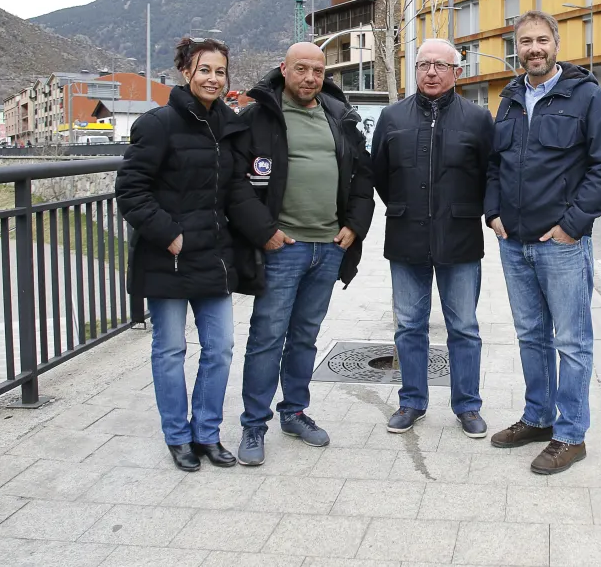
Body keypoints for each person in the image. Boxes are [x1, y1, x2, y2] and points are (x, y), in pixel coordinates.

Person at [116, 36, 277, 472]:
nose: (213, 77)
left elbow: (238, 190)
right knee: (169, 349)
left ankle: (207, 433)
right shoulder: (158, 124)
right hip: (167, 255)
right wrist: (170, 233)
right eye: (204, 69)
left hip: (214, 255)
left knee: (220, 347)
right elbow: (130, 190)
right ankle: (177, 436)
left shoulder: (230, 126)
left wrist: (262, 231)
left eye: (220, 70)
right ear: (187, 72)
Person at [485, 10, 601, 475]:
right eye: (525, 41)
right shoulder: (508, 100)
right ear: (516, 48)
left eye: (542, 40)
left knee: (572, 341)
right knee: (530, 337)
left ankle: (570, 434)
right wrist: (494, 214)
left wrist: (573, 225)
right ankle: (539, 418)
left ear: (556, 44)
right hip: (514, 243)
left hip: (561, 245)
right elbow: (494, 166)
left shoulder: (587, 98)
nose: (534, 48)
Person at [233, 42, 375, 466]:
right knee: (266, 338)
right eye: (301, 69)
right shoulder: (258, 117)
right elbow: (236, 185)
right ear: (284, 69)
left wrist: (355, 225)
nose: (310, 78)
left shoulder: (339, 115)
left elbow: (362, 175)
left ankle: (294, 412)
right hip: (283, 248)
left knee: (305, 338)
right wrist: (265, 233)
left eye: (318, 71)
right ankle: (253, 425)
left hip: (328, 247)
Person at [370, 39, 494, 438]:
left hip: (460, 238)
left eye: (441, 65)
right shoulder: (392, 117)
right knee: (409, 326)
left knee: (464, 327)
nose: (432, 72)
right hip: (406, 237)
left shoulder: (477, 119)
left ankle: (468, 406)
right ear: (416, 70)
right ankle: (411, 402)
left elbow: (489, 175)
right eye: (424, 64)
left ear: (457, 72)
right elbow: (380, 175)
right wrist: (408, 207)